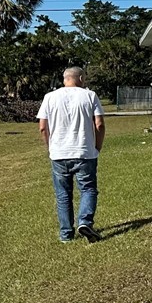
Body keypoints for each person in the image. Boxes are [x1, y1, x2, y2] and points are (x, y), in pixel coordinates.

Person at [37, 66, 105, 243]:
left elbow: (43, 127)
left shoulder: (49, 97)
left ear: (64, 79)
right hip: (84, 151)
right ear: (81, 78)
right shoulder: (90, 96)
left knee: (63, 195)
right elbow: (99, 125)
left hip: (59, 153)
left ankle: (66, 234)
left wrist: (50, 148)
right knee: (88, 189)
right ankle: (85, 221)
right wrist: (97, 146)